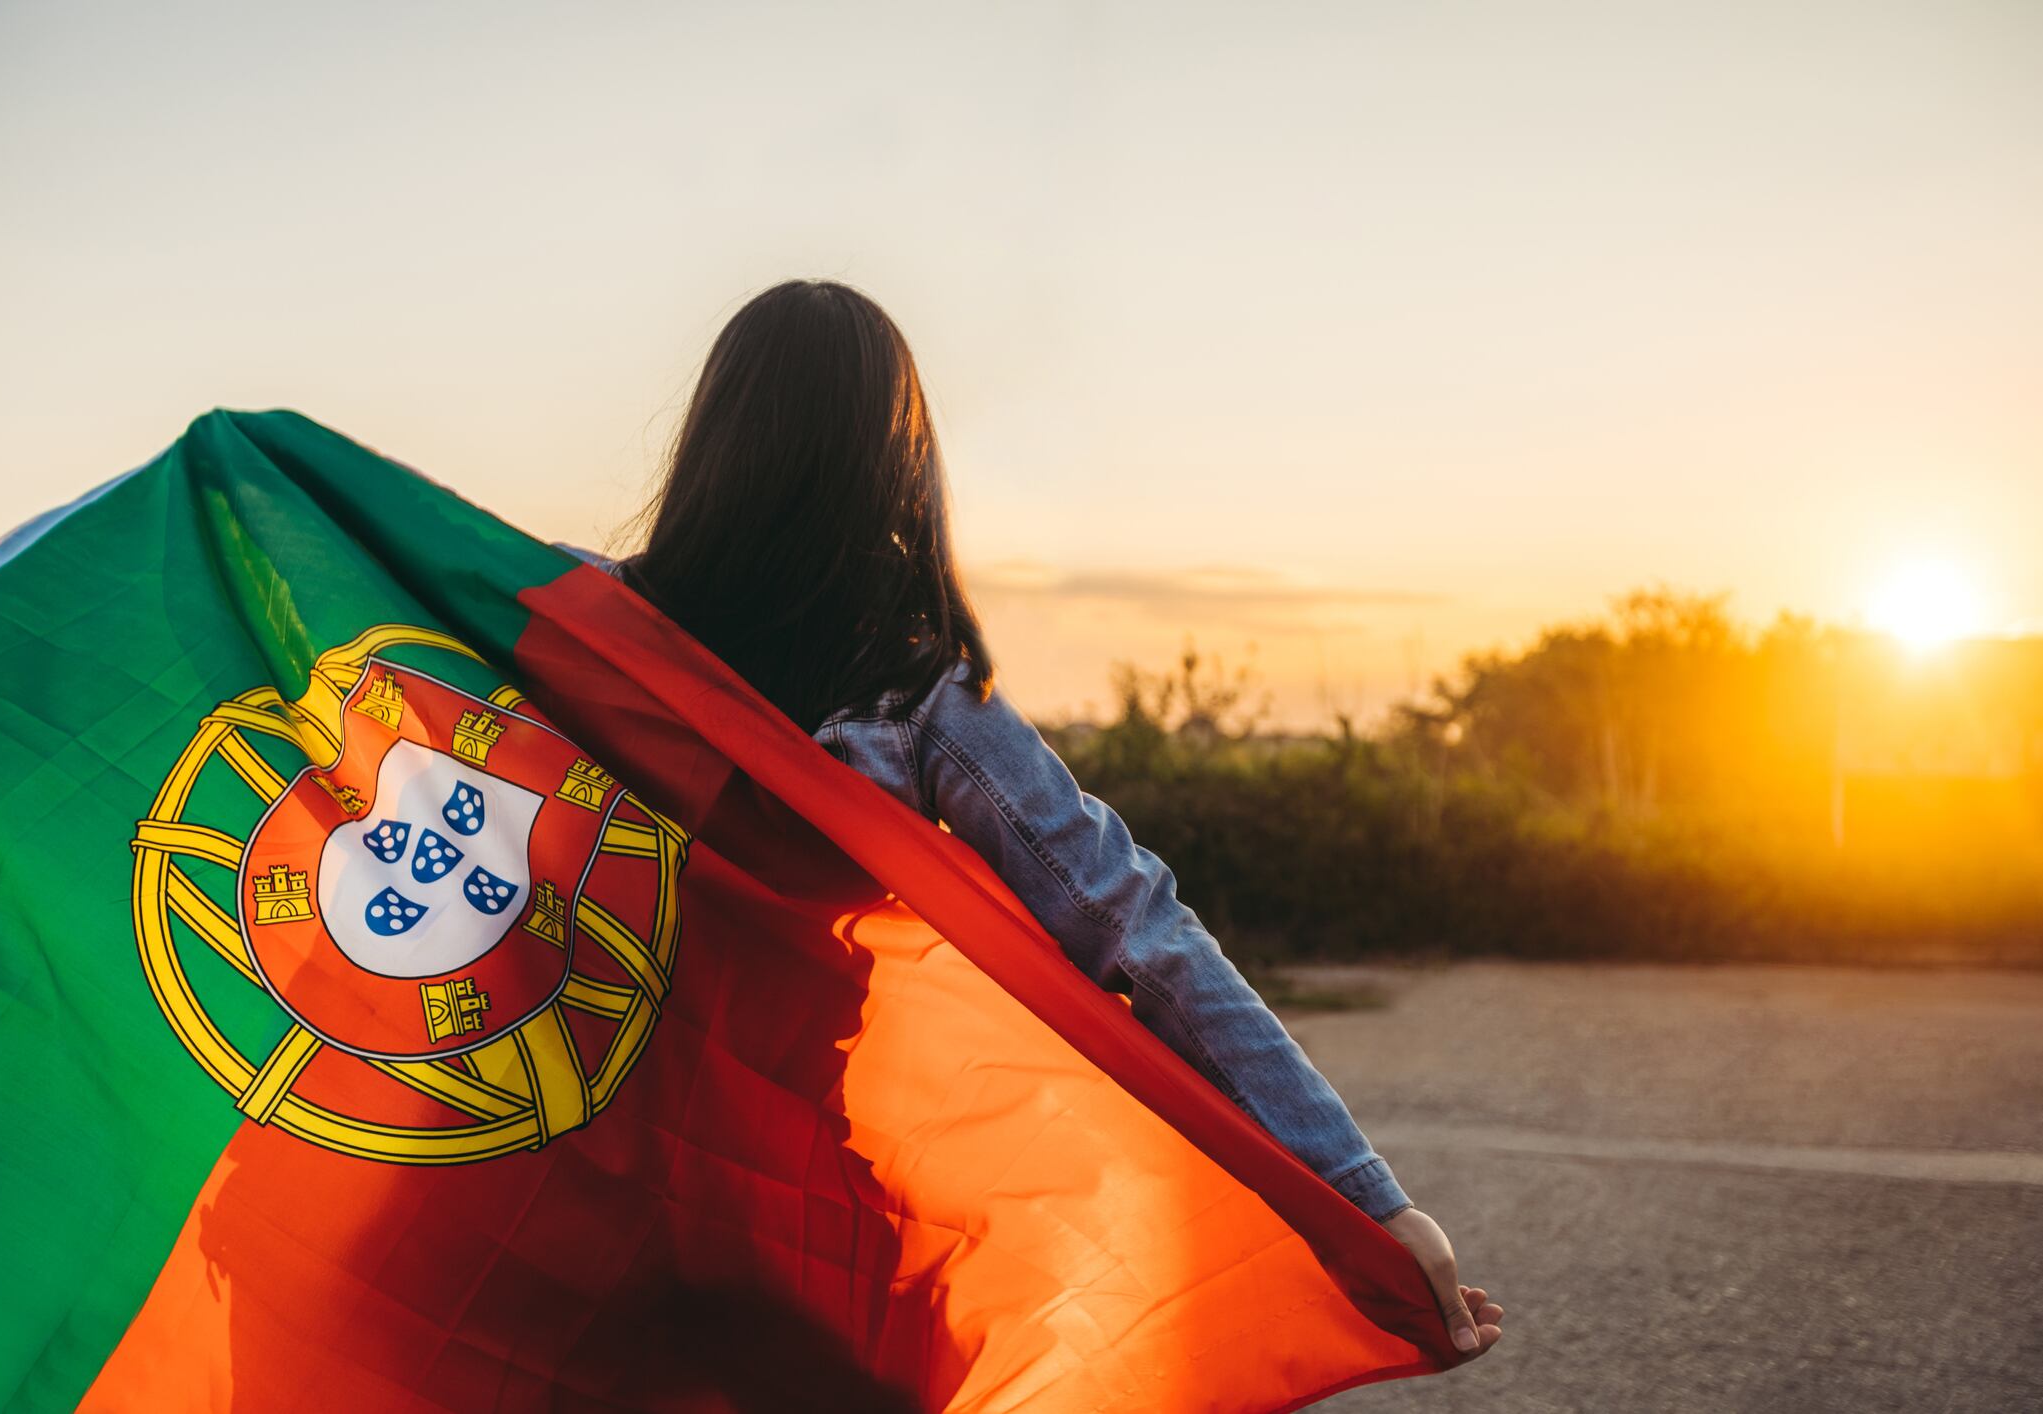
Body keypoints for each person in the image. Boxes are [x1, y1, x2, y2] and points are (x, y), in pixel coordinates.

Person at [594, 278, 1504, 1361]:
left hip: (561, 1167)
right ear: (893, 459)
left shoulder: (570, 628)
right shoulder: (909, 692)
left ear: (714, 439)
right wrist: (1363, 1193)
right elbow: (1135, 924)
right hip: (786, 1208)